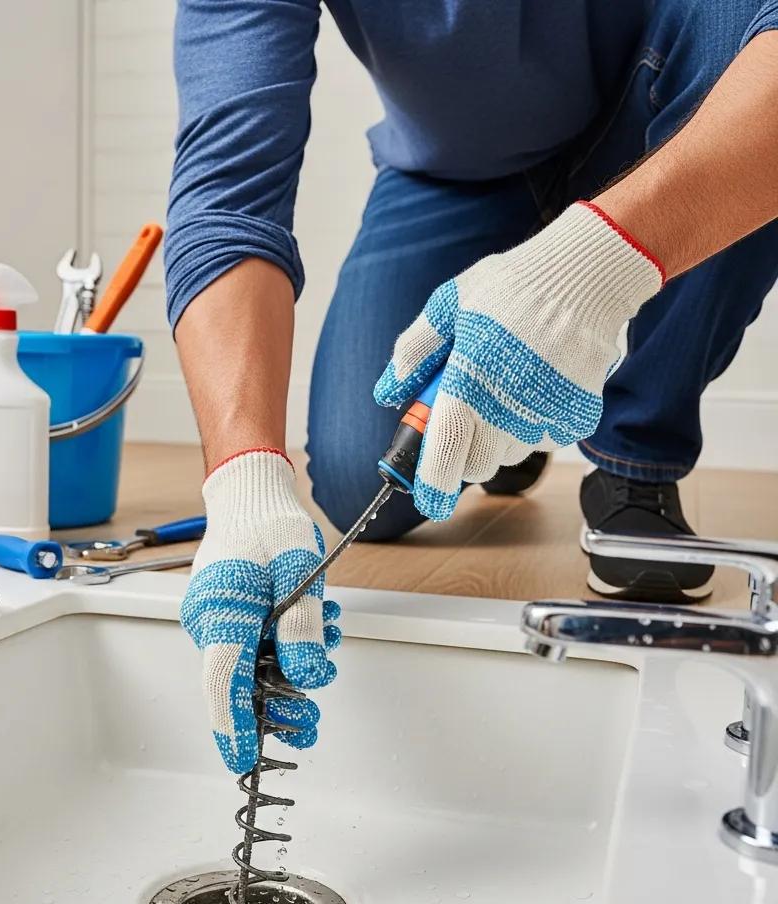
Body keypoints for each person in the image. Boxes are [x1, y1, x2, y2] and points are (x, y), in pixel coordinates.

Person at [169, 1, 778, 773]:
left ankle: (635, 462)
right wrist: (244, 476)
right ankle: (506, 412)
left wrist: (587, 272)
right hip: (453, 175)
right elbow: (227, 196)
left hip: (657, 109)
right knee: (367, 482)